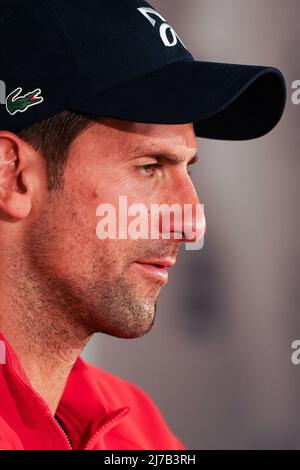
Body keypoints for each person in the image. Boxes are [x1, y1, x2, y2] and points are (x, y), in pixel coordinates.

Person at [0, 0, 286, 450]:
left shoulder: (134, 429)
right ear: (13, 176)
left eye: (188, 167)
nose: (193, 223)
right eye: (150, 167)